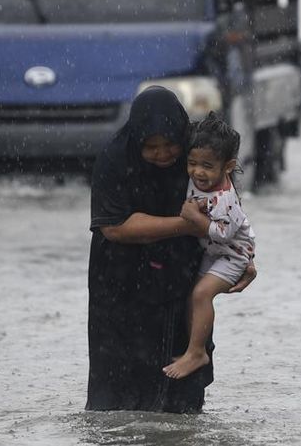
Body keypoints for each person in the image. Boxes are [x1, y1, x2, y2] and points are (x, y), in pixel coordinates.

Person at [87, 87, 256, 413]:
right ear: (137, 143)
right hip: (121, 282)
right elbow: (114, 227)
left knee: (182, 400)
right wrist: (186, 225)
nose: (163, 154)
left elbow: (226, 206)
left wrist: (241, 258)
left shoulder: (198, 151)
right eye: (151, 148)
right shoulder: (114, 158)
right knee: (116, 396)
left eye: (170, 145)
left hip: (181, 273)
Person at [163, 113, 256, 380]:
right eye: (192, 163)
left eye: (207, 165)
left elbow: (224, 234)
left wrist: (195, 219)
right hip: (214, 252)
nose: (198, 172)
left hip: (233, 255)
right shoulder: (198, 180)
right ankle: (194, 348)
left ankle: (197, 353)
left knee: (202, 295)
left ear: (228, 166)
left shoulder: (225, 197)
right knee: (193, 294)